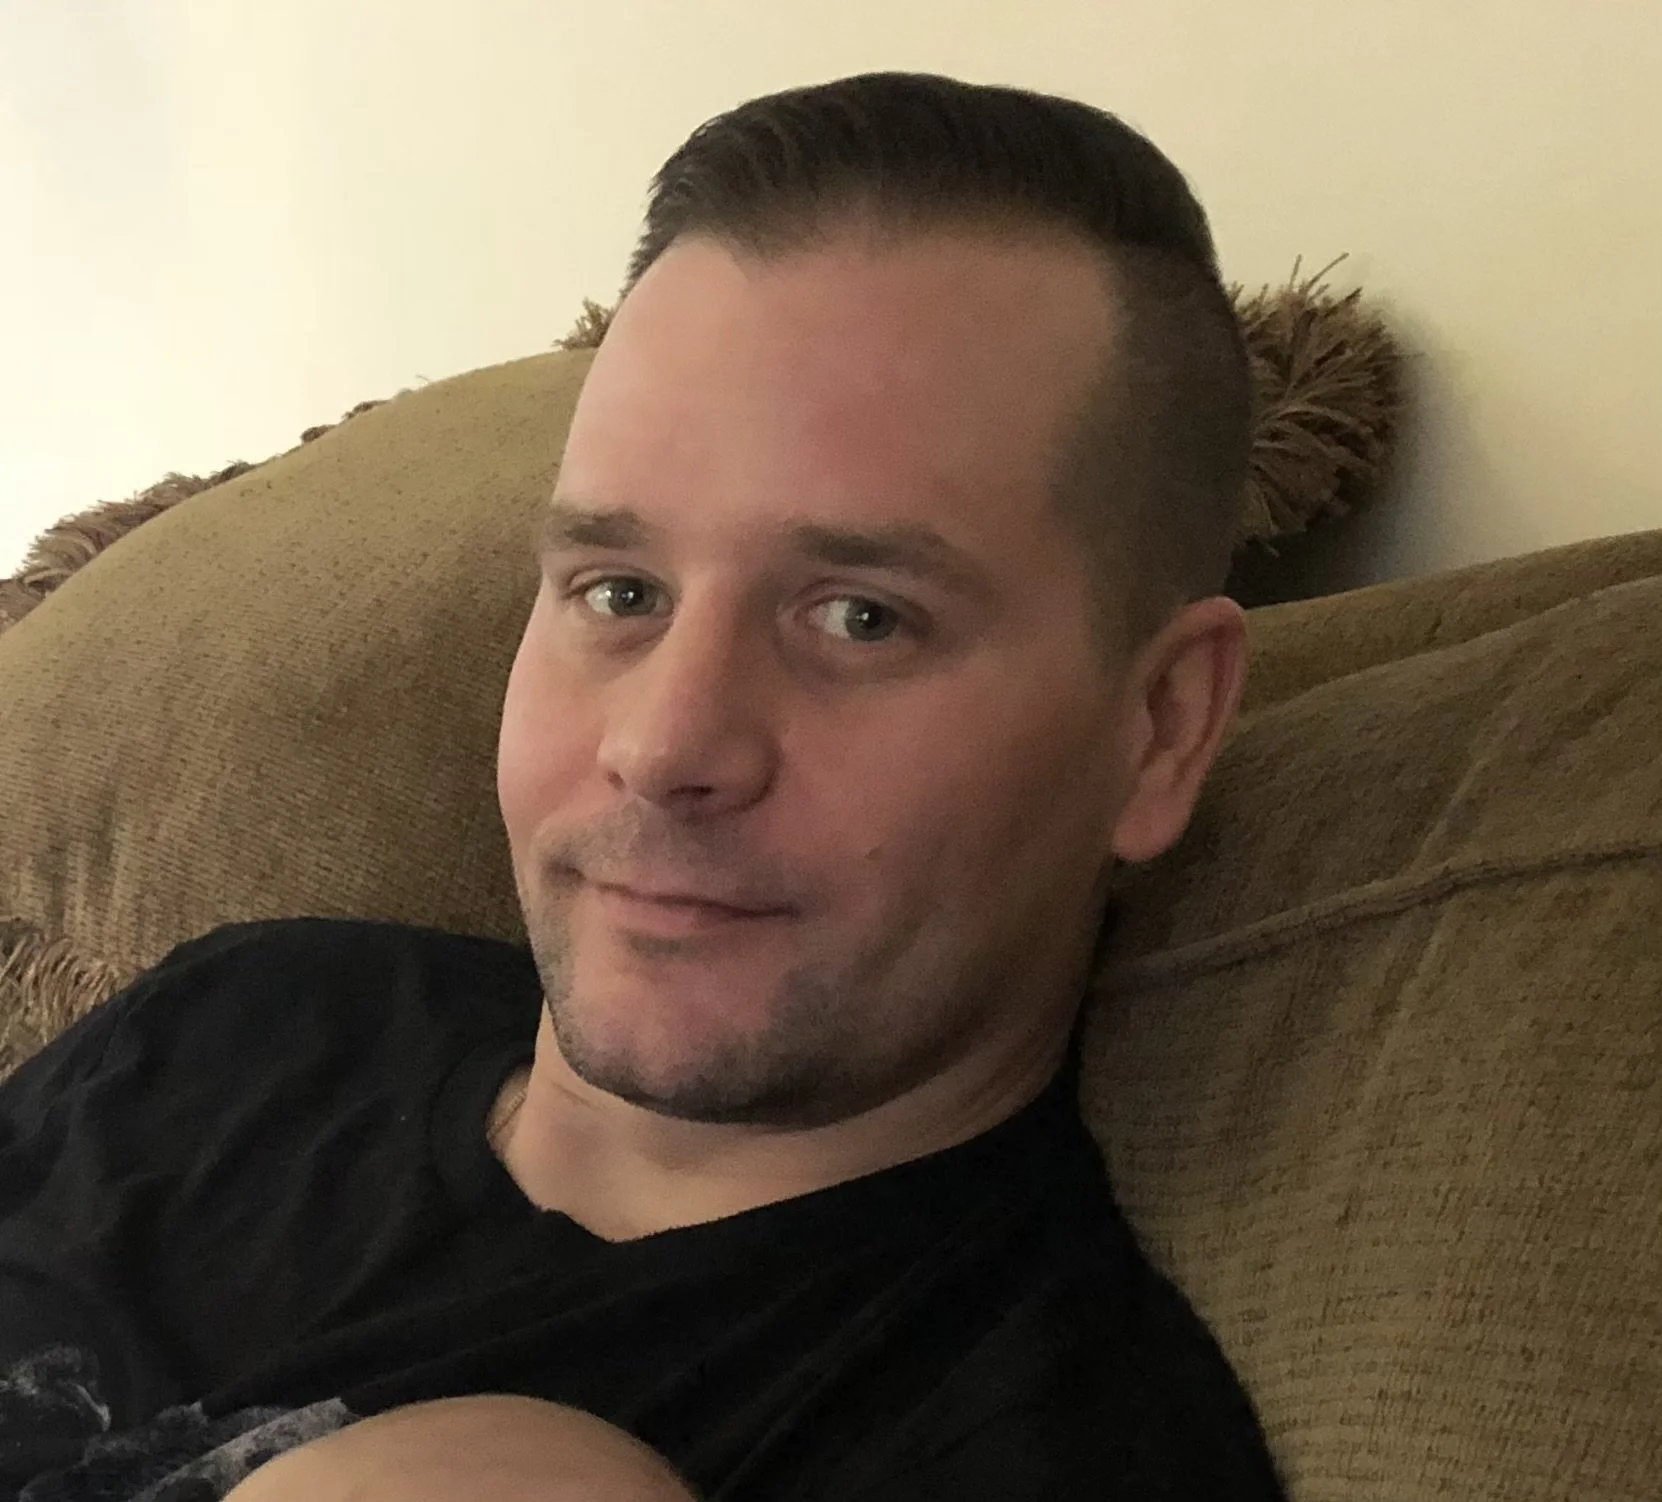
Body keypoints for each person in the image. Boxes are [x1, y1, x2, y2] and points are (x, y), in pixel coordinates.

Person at [0, 71, 1285, 1501]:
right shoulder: (240, 1018)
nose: (665, 745)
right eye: (619, 588)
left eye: (862, 616)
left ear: (1160, 727)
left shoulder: (1037, 1448)